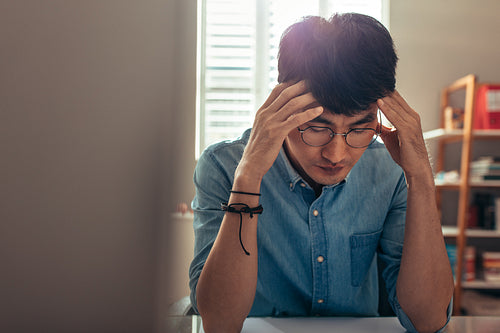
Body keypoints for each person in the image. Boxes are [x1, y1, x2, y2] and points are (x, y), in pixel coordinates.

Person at [189, 13, 454, 333]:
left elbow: (429, 321)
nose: (337, 154)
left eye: (359, 129)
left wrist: (420, 178)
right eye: (316, 128)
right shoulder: (223, 166)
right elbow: (220, 323)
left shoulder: (389, 172)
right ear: (281, 106)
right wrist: (249, 176)